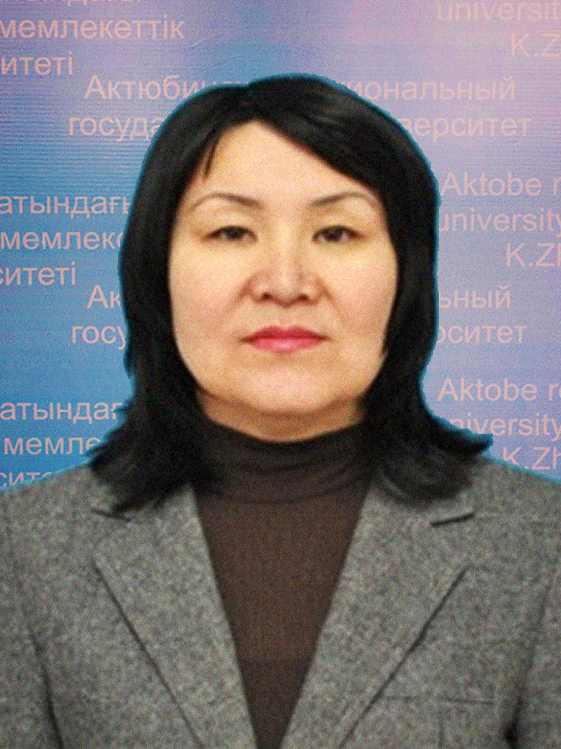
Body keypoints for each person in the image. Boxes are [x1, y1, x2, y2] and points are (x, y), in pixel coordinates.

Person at [1, 74, 560, 749]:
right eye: (232, 231)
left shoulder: (539, 541)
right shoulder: (23, 550)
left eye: (336, 232)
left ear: (406, 274)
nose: (286, 283)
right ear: (156, 270)